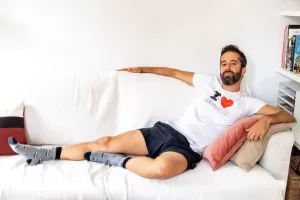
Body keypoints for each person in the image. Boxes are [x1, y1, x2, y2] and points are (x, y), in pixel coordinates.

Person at [8, 45, 296, 180]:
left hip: (187, 149)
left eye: (233, 64)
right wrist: (142, 69)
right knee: (105, 141)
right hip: (167, 131)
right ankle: (42, 153)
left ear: (242, 70)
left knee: (160, 170)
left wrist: (265, 120)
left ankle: (114, 162)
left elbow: (289, 116)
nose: (227, 68)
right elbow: (171, 72)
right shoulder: (207, 81)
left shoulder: (249, 103)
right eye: (223, 63)